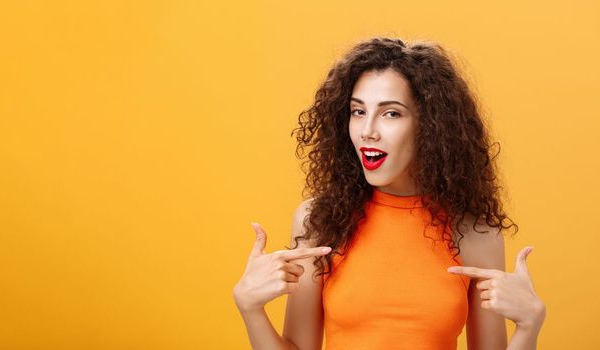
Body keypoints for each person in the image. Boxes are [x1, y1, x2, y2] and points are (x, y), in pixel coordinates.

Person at [232, 37, 546, 350]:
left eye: (391, 113)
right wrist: (251, 309)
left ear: (430, 126)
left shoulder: (476, 236)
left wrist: (529, 325)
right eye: (358, 111)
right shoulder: (320, 222)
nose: (368, 129)